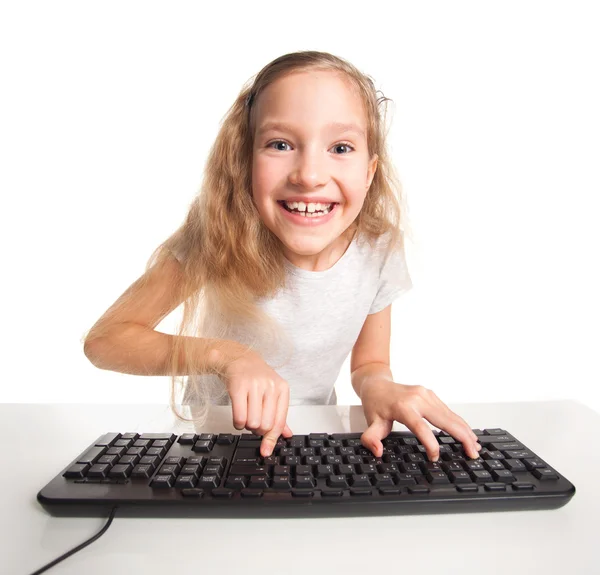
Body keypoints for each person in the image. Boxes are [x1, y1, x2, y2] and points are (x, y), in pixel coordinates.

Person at [83, 50, 482, 463]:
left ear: (369, 171)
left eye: (341, 147)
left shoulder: (379, 248)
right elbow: (106, 340)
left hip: (312, 444)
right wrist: (228, 356)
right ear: (244, 162)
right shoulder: (215, 236)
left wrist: (378, 386)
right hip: (214, 447)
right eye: (280, 144)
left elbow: (371, 362)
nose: (309, 175)